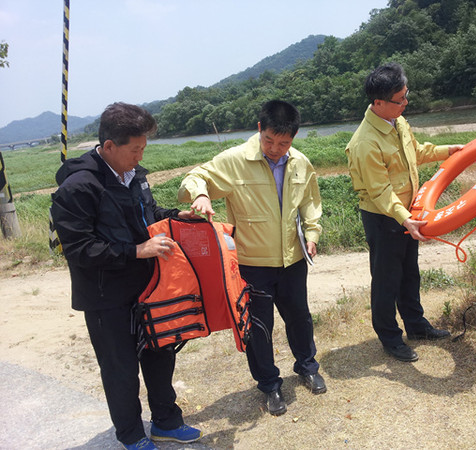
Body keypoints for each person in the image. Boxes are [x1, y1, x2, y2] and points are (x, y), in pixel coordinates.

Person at [51, 103, 201, 450]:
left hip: (149, 288)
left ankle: (166, 421)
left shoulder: (136, 176)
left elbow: (147, 216)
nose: (140, 156)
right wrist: (136, 251)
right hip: (106, 297)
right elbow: (79, 250)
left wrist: (177, 216)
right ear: (108, 147)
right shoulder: (78, 188)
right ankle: (132, 435)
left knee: (161, 354)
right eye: (135, 150)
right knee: (120, 369)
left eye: (143, 148)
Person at [178, 100, 326, 416]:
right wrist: (201, 194)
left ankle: (307, 366)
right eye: (269, 140)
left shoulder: (300, 162)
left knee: (300, 317)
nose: (275, 148)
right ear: (260, 129)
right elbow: (193, 177)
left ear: (294, 137)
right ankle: (270, 386)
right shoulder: (235, 160)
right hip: (251, 263)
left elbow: (311, 203)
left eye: (284, 142)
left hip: (293, 260)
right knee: (258, 327)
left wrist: (312, 236)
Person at [345, 63, 463, 362]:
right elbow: (380, 192)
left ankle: (417, 325)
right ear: (378, 102)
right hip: (384, 218)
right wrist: (406, 220)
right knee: (386, 279)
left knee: (410, 273)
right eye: (400, 99)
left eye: (406, 95)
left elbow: (417, 151)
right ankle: (390, 337)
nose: (406, 102)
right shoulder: (365, 142)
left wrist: (449, 150)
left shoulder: (397, 122)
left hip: (407, 213)